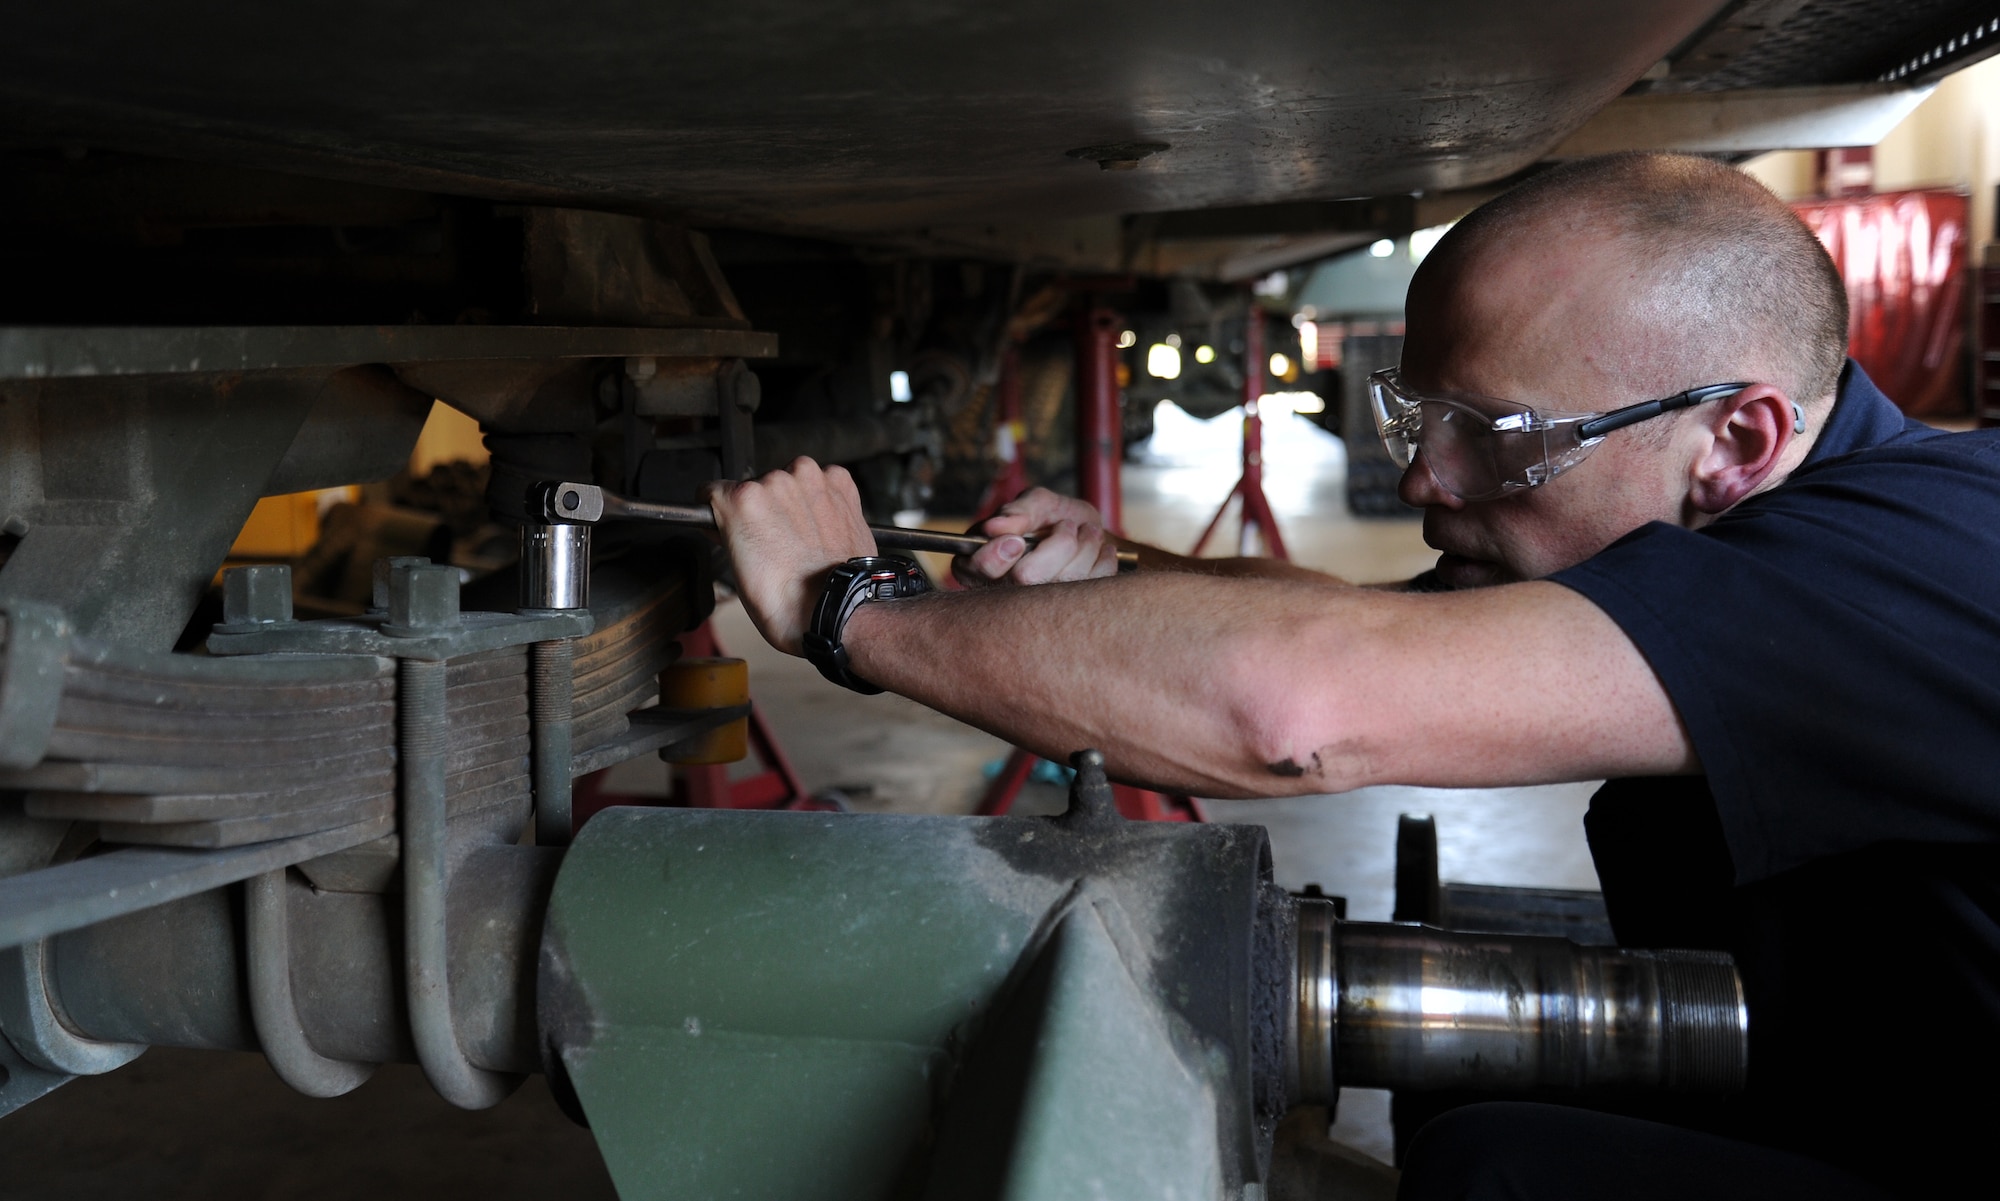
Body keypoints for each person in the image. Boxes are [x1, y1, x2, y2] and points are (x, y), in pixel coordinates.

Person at [706, 153, 2000, 1199]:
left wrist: (854, 611)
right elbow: (1371, 621)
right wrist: (1118, 588)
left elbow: (1298, 715)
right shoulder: (1799, 519)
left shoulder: (1917, 560)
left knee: (1503, 1169)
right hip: (1868, 1076)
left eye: (1495, 437)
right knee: (1477, 1094)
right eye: (1417, 418)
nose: (1428, 480)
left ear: (1738, 436)